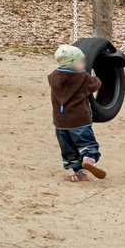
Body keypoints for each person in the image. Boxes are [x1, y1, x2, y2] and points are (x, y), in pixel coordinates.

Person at [49, 44, 107, 182]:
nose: (84, 64)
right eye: (81, 62)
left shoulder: (53, 77)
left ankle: (80, 173)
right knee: (86, 143)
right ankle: (88, 159)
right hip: (79, 120)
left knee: (69, 149)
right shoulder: (83, 78)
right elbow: (96, 84)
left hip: (60, 123)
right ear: (73, 64)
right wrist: (97, 77)